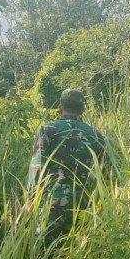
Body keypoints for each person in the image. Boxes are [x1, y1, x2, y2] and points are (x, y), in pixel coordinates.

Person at [27, 89, 106, 247]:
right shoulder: (97, 136)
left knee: (43, 253)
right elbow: (101, 174)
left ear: (60, 106)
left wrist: (30, 199)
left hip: (52, 201)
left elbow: (37, 166)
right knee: (74, 254)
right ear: (83, 110)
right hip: (83, 205)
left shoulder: (49, 130)